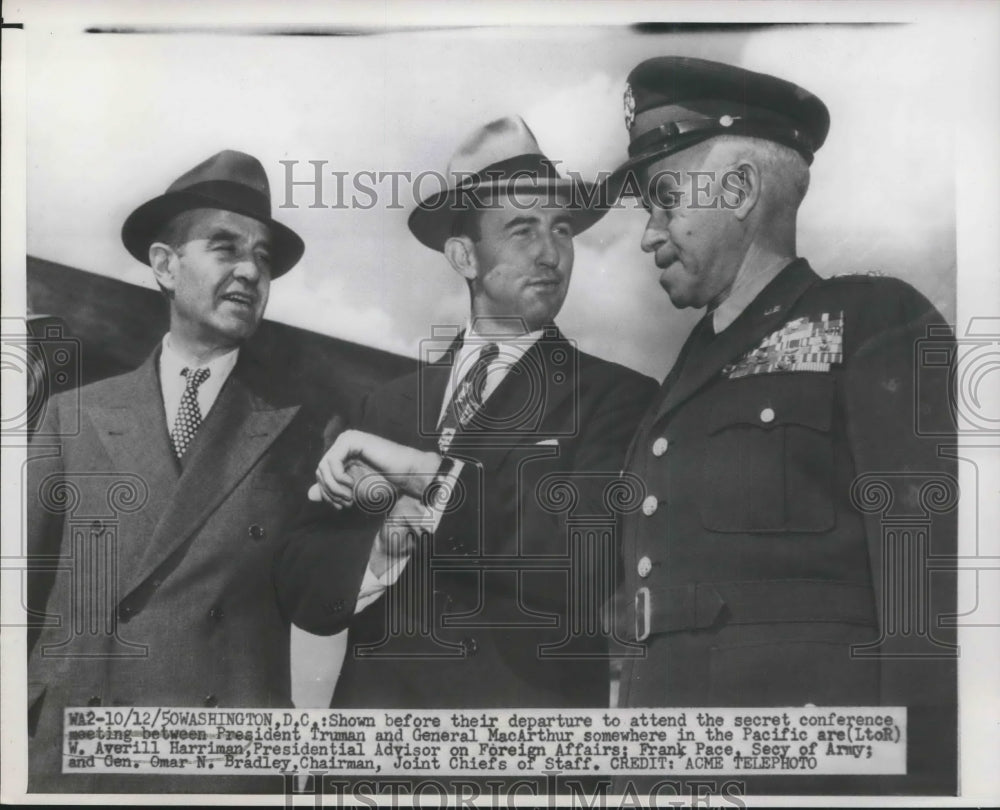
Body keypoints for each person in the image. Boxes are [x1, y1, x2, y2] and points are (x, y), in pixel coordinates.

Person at [609, 57, 957, 794]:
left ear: (738, 191)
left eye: (665, 199)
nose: (648, 234)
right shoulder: (682, 376)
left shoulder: (871, 322)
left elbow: (925, 588)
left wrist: (924, 776)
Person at [277, 116, 657, 711]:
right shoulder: (385, 405)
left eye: (562, 229)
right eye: (522, 229)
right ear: (464, 255)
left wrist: (426, 479)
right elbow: (300, 589)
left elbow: (581, 574)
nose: (551, 253)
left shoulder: (620, 399)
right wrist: (390, 540)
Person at [25, 150, 372, 793]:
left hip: (224, 772)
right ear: (165, 264)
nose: (250, 271)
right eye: (225, 247)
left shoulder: (307, 430)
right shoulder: (71, 417)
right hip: (78, 764)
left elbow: (324, 604)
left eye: (263, 258)